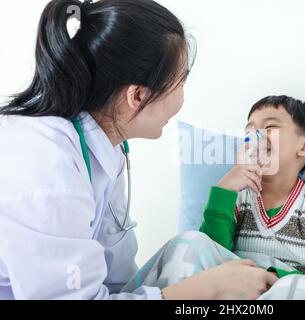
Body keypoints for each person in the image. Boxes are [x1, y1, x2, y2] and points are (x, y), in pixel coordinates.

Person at [0, 0, 277, 300]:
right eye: (181, 81)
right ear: (138, 95)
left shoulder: (106, 152)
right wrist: (206, 289)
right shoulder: (46, 165)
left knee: (189, 246)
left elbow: (118, 278)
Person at [199, 95, 305, 299]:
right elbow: (207, 258)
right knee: (189, 241)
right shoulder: (236, 197)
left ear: (304, 147)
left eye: (270, 127)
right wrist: (223, 191)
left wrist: (272, 279)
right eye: (250, 130)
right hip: (232, 294)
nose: (256, 135)